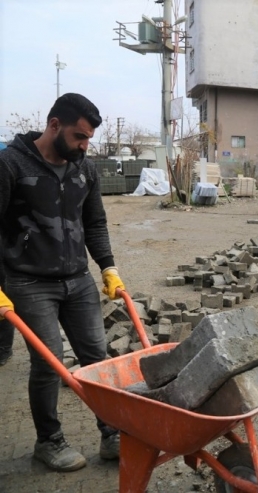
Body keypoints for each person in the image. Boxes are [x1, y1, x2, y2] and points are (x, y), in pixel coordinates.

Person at [0, 93, 127, 472]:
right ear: (54, 125)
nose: (84, 145)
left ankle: (112, 432)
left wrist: (107, 267)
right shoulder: (10, 165)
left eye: (88, 139)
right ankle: (49, 440)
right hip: (28, 281)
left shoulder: (84, 169)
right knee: (49, 362)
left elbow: (96, 223)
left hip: (78, 279)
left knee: (96, 357)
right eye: (79, 136)